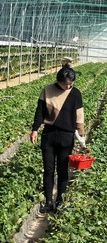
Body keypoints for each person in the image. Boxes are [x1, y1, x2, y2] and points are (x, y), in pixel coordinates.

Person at [30, 66, 85, 213]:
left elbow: (79, 115)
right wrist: (35, 129)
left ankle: (60, 201)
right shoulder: (47, 90)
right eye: (66, 83)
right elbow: (40, 112)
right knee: (48, 170)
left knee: (62, 170)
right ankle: (49, 202)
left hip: (66, 137)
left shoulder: (75, 93)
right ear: (58, 80)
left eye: (71, 83)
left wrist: (81, 135)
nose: (68, 86)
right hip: (49, 135)